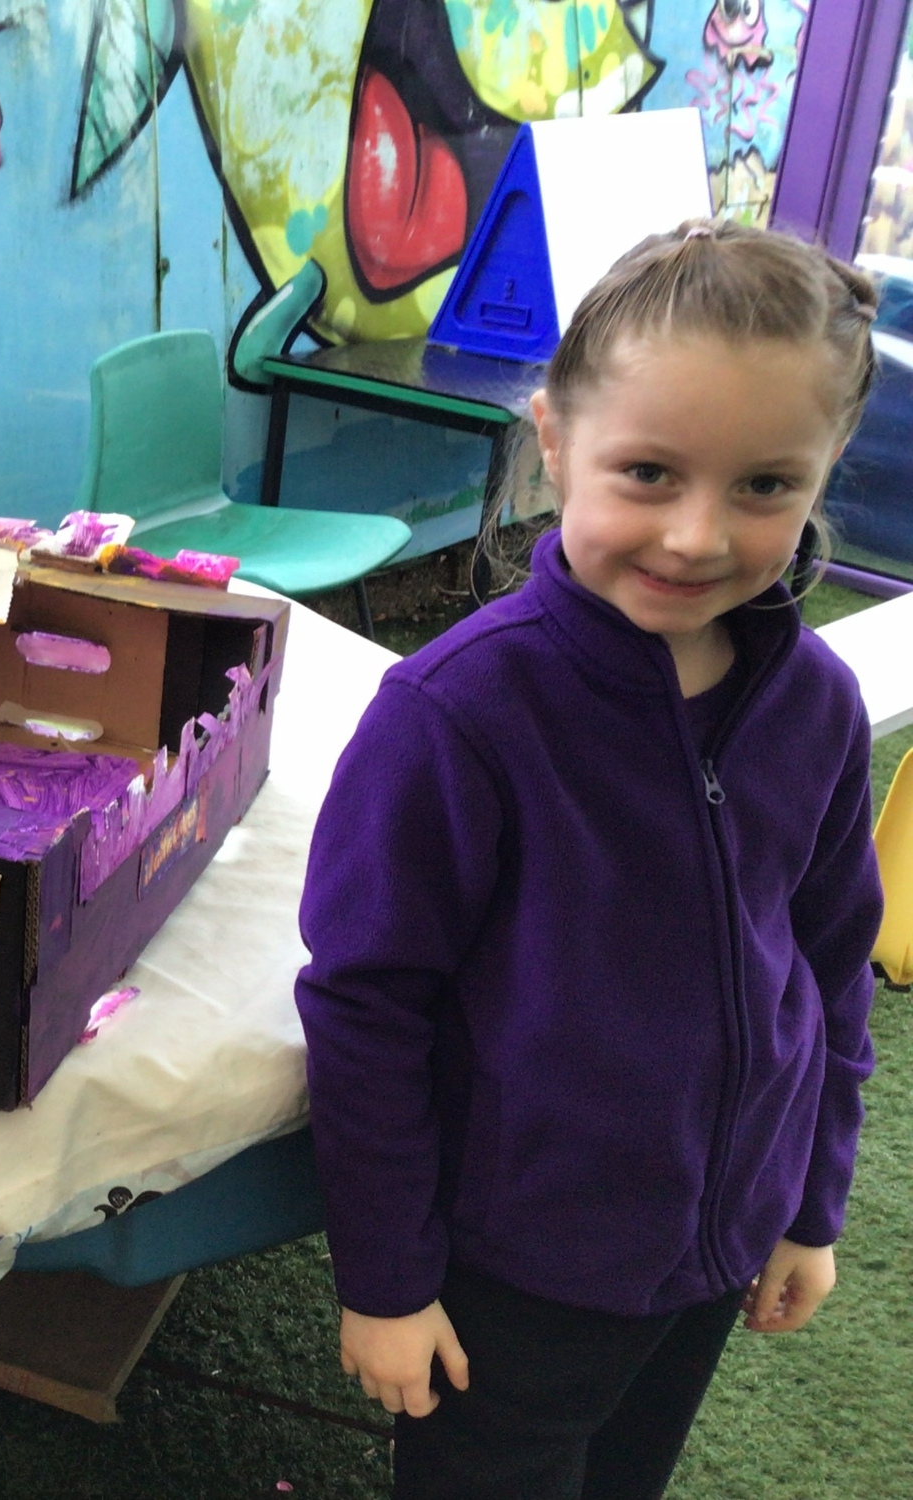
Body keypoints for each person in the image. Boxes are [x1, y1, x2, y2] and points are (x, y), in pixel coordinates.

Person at [296, 220, 884, 1500]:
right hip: (514, 1273)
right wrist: (384, 1282)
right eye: (648, 472)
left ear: (824, 469)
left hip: (714, 1251)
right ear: (554, 442)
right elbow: (363, 1004)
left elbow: (831, 963)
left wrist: (806, 1201)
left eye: (763, 486)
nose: (695, 536)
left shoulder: (817, 704)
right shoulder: (456, 715)